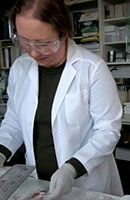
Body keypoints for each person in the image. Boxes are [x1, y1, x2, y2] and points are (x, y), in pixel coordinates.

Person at [0, 0, 123, 199]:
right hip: (38, 181)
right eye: (24, 41)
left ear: (64, 33)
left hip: (85, 182)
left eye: (42, 43)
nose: (33, 52)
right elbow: (14, 122)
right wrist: (1, 152)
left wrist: (71, 168)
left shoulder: (92, 69)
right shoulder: (20, 68)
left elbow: (108, 131)